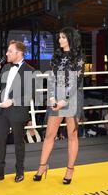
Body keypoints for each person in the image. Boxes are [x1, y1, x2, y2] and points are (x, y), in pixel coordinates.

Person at [34, 27, 85, 185]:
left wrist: (65, 100)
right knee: (49, 134)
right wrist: (51, 97)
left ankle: (70, 169)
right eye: (60, 37)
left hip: (73, 98)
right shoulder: (56, 56)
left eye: (63, 37)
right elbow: (51, 78)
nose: (60, 40)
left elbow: (77, 81)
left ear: (71, 38)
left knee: (72, 135)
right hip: (56, 97)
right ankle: (42, 166)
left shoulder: (79, 57)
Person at [0, 40, 35, 184]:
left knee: (19, 142)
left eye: (10, 51)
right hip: (2, 110)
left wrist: (12, 101)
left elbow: (29, 94)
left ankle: (20, 171)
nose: (6, 53)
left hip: (17, 110)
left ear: (19, 53)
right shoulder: (6, 67)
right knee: (0, 141)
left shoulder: (29, 70)